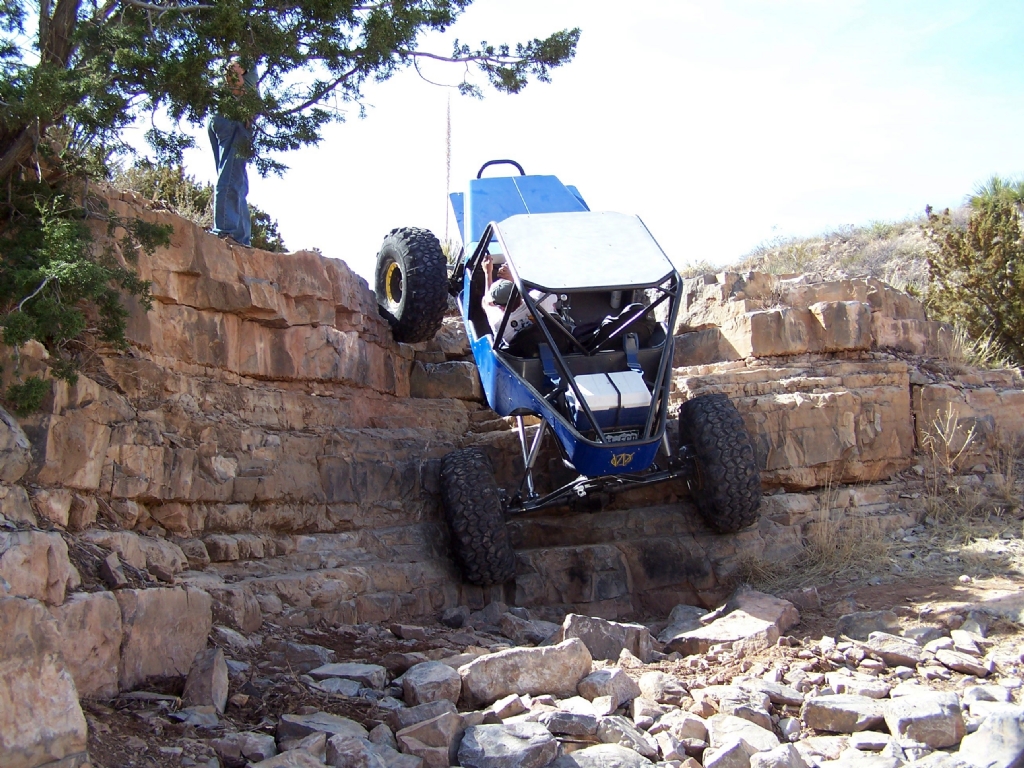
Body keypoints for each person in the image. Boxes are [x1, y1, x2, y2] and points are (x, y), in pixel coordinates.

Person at [209, 58, 258, 246]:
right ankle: (225, 231)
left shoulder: (222, 52)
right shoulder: (243, 53)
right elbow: (234, 75)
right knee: (231, 176)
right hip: (234, 118)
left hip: (222, 116)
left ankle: (241, 237)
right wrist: (246, 107)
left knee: (236, 179)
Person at [481, 254, 557, 347]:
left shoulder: (499, 323)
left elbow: (486, 303)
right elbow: (549, 280)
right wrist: (515, 278)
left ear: (499, 306)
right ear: (518, 293)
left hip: (526, 355)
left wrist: (488, 273)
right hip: (557, 344)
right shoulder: (540, 298)